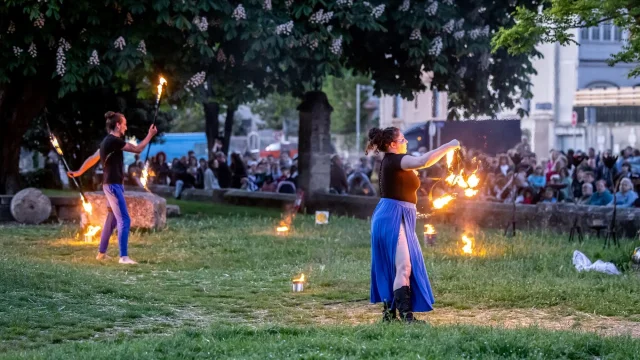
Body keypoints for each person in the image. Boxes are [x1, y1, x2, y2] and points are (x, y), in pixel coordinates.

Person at [367, 126, 459, 323]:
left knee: (400, 266)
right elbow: (423, 161)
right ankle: (406, 318)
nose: (406, 142)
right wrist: (449, 146)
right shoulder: (395, 160)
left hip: (397, 214)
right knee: (404, 266)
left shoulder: (395, 162)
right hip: (393, 215)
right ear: (392, 145)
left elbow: (423, 164)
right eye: (402, 140)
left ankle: (391, 315)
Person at [68, 111, 157, 264]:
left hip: (113, 185)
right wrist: (150, 134)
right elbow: (137, 149)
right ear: (117, 125)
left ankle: (101, 253)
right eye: (124, 124)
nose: (126, 127)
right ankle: (123, 257)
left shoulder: (106, 142)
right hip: (113, 186)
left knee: (113, 219)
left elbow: (92, 158)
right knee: (124, 219)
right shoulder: (113, 141)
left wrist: (79, 172)